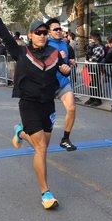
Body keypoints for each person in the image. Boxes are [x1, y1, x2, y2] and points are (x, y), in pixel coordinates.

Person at [0, 0, 70, 210]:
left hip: (48, 105)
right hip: (29, 104)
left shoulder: (54, 53)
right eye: (38, 33)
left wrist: (66, 70)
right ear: (30, 35)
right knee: (40, 148)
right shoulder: (21, 52)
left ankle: (21, 133)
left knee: (43, 146)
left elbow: (65, 69)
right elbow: (5, 37)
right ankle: (45, 193)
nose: (42, 36)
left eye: (44, 33)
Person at [46, 18, 77, 151]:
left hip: (63, 83)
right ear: (49, 32)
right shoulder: (45, 44)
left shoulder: (65, 44)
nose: (59, 31)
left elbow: (67, 60)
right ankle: (24, 130)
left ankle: (65, 139)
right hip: (47, 85)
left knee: (71, 108)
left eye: (60, 29)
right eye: (55, 29)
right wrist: (55, 57)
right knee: (43, 119)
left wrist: (70, 61)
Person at [85, 31, 105, 106]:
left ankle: (98, 99)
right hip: (91, 66)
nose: (90, 39)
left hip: (96, 67)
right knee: (91, 82)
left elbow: (94, 58)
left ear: (96, 38)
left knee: (96, 83)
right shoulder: (92, 46)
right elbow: (87, 55)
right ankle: (92, 97)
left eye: (91, 37)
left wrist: (88, 60)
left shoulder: (99, 46)